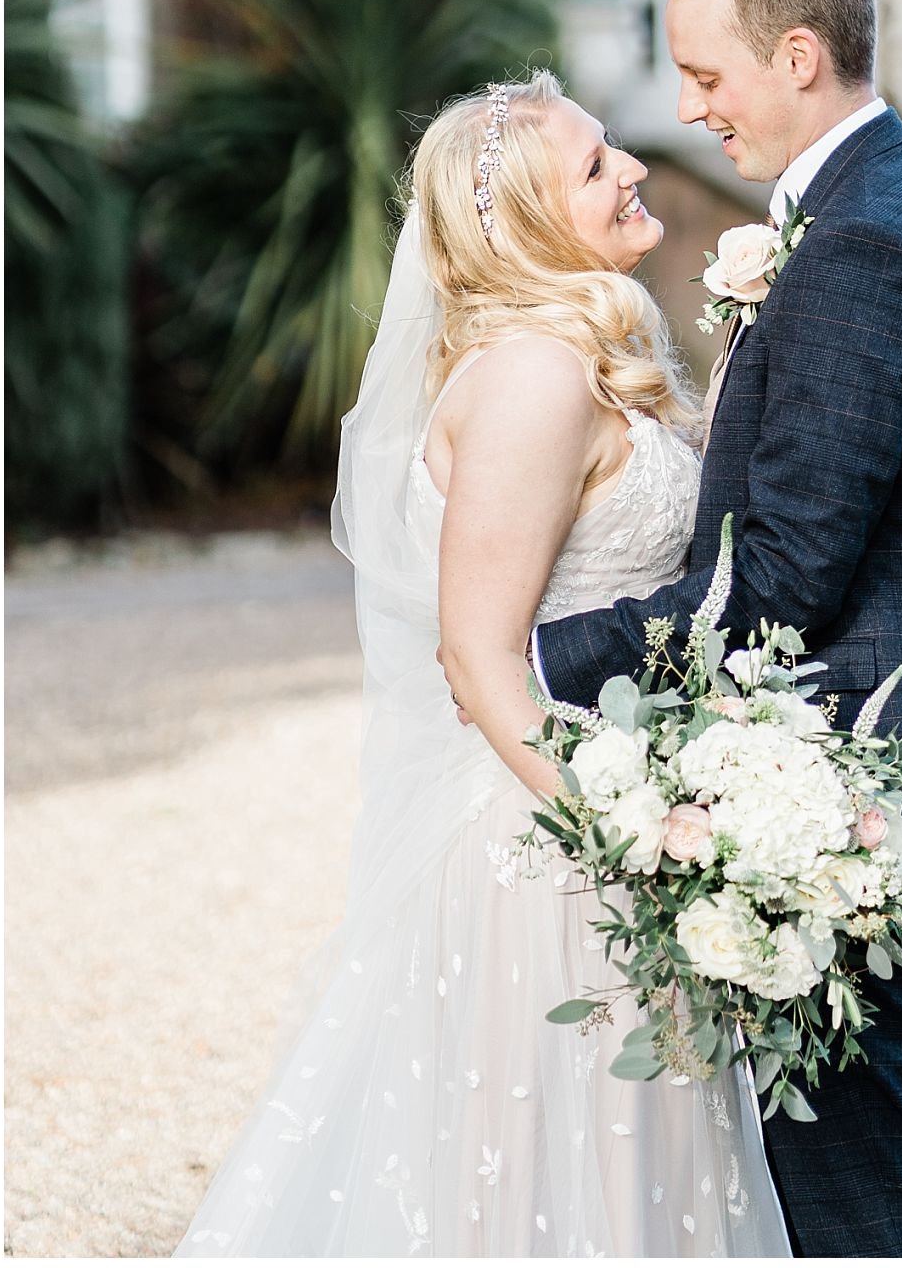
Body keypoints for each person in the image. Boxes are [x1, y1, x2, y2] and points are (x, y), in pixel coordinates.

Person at [529, 0, 902, 1259]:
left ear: (794, 57)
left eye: (708, 76)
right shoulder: (861, 208)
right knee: (834, 1168)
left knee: (861, 1191)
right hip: (872, 749)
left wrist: (537, 661)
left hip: (881, 775)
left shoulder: (865, 245)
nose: (688, 106)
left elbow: (774, 581)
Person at [175, 70, 791, 1258]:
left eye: (616, 148)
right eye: (596, 165)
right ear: (524, 223)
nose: (633, 171)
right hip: (548, 854)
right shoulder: (529, 378)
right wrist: (626, 840)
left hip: (595, 811)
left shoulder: (570, 357)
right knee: (547, 1194)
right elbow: (474, 656)